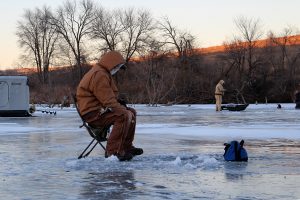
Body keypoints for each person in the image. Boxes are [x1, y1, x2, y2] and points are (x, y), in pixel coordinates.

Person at [76, 51, 143, 161]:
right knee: (123, 115)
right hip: (93, 114)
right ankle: (113, 152)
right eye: (117, 66)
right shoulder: (99, 74)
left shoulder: (102, 72)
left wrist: (120, 104)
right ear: (111, 63)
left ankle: (126, 147)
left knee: (131, 112)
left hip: (98, 111)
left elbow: (107, 98)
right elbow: (108, 100)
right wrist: (120, 107)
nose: (117, 69)